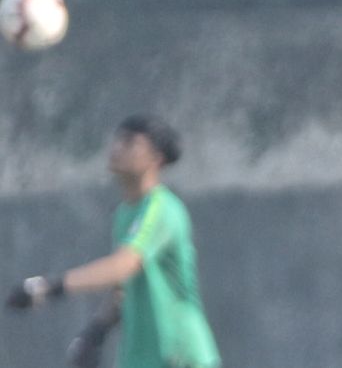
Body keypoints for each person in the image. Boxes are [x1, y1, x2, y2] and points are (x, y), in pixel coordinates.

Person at [6, 114, 221, 368]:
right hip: (142, 360)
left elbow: (123, 265)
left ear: (156, 158)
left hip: (181, 357)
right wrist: (95, 334)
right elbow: (123, 286)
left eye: (129, 142)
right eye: (117, 140)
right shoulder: (124, 214)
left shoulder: (161, 208)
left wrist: (49, 287)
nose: (116, 148)